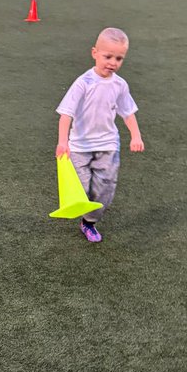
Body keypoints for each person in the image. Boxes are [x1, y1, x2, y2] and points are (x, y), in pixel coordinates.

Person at [55, 27, 144, 243]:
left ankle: (89, 223)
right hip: (79, 147)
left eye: (119, 58)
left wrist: (136, 136)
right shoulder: (83, 83)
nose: (112, 62)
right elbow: (65, 114)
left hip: (108, 145)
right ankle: (82, 211)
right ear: (94, 53)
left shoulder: (120, 85)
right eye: (108, 56)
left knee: (104, 190)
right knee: (83, 189)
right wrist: (62, 142)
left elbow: (128, 112)